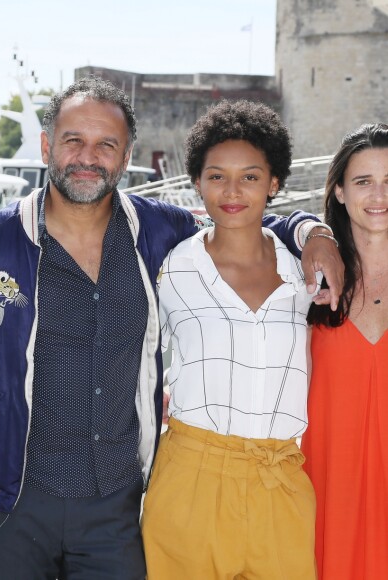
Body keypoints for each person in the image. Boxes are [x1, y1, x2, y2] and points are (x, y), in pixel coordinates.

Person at [0, 77, 343, 579]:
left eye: (106, 145)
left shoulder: (162, 235)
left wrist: (313, 230)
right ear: (48, 144)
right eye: (73, 140)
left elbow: (244, 225)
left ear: (126, 153)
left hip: (114, 508)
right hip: (8, 501)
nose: (88, 156)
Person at [142, 99, 322, 579]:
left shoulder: (308, 273)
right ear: (197, 182)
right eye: (216, 175)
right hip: (191, 479)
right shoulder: (171, 268)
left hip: (280, 478)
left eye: (250, 176)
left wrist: (314, 228)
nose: (232, 191)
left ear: (274, 183)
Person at [302, 124, 388, 579]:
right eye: (363, 181)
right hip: (325, 496)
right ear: (337, 190)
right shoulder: (308, 285)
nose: (378, 195)